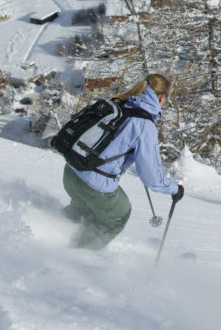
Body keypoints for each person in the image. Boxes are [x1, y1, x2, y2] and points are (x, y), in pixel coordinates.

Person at [62, 73, 184, 249]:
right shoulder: (144, 124)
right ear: (161, 97)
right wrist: (174, 189)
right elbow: (151, 177)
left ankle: (44, 230)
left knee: (82, 210)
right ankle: (75, 256)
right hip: (94, 185)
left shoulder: (119, 104)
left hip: (72, 171)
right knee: (118, 215)